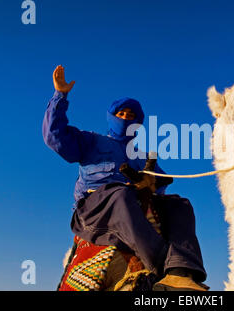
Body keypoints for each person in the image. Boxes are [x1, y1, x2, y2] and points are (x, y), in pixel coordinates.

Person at [42, 65, 207, 291]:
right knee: (120, 194)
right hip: (94, 210)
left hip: (133, 207)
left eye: (131, 116)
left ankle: (181, 271)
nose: (126, 118)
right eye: (121, 114)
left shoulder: (141, 157)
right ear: (111, 117)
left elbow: (161, 184)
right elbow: (55, 137)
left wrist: (150, 184)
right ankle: (160, 266)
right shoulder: (91, 141)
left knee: (180, 204)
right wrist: (60, 95)